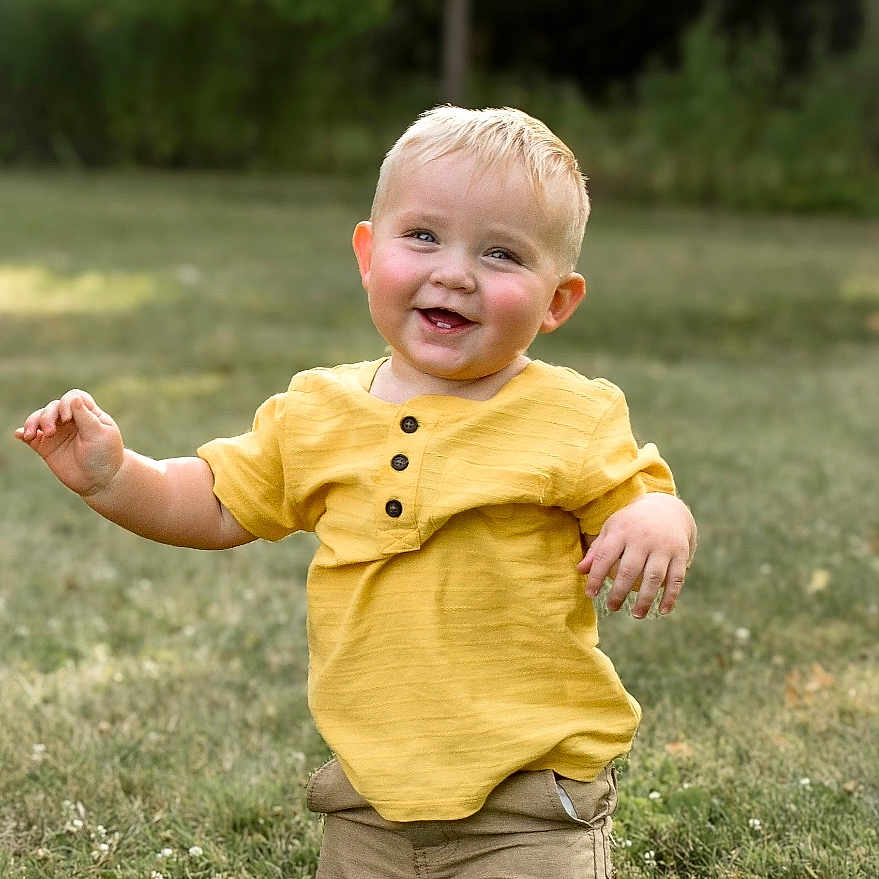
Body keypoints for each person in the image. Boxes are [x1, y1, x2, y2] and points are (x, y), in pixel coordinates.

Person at [17, 106, 696, 878]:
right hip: (368, 803)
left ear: (556, 301)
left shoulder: (571, 415)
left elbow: (641, 494)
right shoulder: (316, 411)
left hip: (528, 803)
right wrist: (116, 475)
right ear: (368, 254)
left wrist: (658, 517)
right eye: (423, 236)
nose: (454, 272)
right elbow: (212, 501)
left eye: (501, 253)